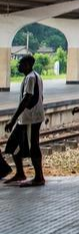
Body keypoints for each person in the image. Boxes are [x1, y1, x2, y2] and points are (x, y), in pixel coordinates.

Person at [2, 55, 45, 187]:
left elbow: (27, 99)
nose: (18, 66)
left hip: (31, 119)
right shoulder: (31, 77)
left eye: (20, 63)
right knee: (13, 145)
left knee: (33, 147)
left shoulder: (31, 78)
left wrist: (12, 119)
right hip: (25, 119)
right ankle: (20, 173)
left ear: (27, 64)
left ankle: (39, 177)